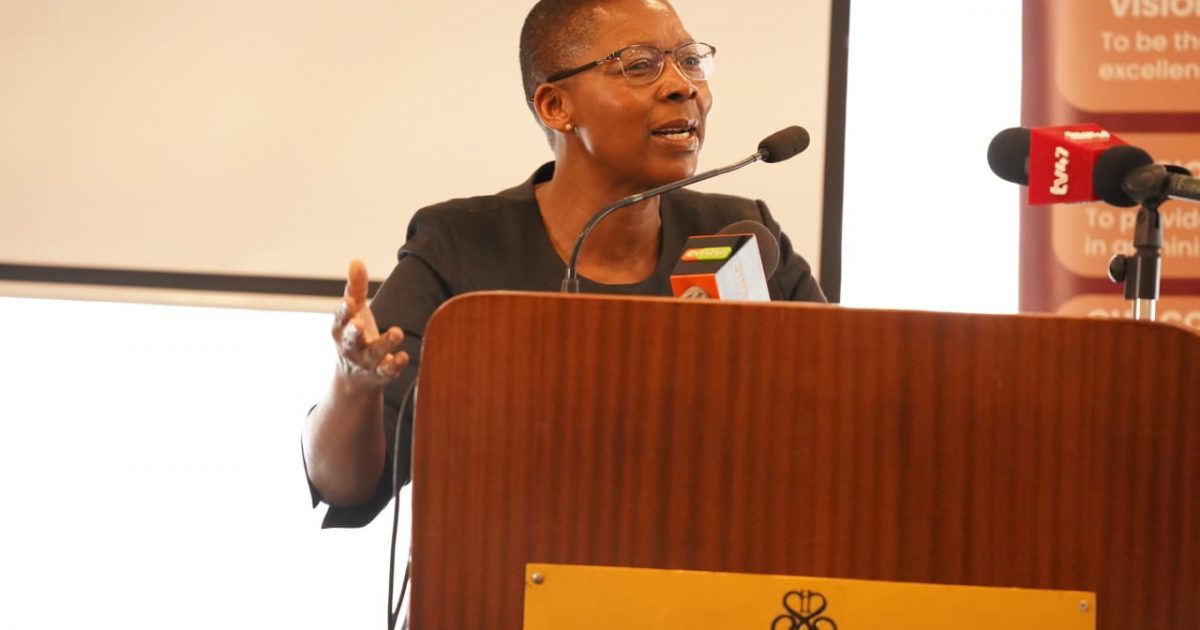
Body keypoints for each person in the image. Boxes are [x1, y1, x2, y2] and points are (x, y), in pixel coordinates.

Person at [302, 0, 826, 528]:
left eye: (690, 60)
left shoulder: (741, 236)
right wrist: (352, 386)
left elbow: (843, 420)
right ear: (556, 107)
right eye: (640, 65)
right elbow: (342, 482)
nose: (682, 86)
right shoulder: (461, 247)